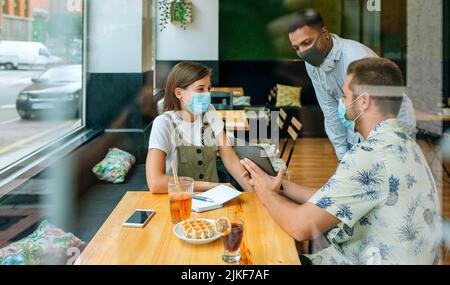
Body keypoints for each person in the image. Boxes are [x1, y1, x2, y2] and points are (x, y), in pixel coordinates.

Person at [240, 57, 442, 265]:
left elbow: (300, 227)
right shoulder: (406, 143)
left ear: (364, 101)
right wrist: (281, 186)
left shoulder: (369, 155)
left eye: (345, 96)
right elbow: (332, 198)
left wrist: (264, 191)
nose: (342, 103)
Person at [288, 9, 416, 160]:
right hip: (357, 124)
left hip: (392, 121)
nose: (303, 52)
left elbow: (378, 111)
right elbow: (329, 109)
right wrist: (342, 154)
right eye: (297, 48)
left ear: (324, 34)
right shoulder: (312, 65)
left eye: (307, 42)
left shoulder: (355, 58)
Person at [146, 62, 252, 193]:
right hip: (180, 202)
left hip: (215, 199)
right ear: (179, 93)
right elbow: (155, 183)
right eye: (200, 89)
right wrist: (209, 186)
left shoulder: (209, 111)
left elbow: (230, 159)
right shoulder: (164, 123)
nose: (207, 94)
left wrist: (256, 195)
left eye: (209, 88)